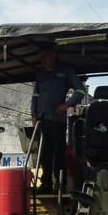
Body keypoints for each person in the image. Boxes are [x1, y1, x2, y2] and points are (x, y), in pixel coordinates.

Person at [30, 44, 86, 193]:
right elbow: (35, 96)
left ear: (54, 54)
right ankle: (46, 184)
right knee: (44, 154)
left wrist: (66, 105)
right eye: (41, 57)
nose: (43, 60)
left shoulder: (66, 71)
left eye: (46, 56)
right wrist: (33, 116)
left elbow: (80, 90)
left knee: (59, 153)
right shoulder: (40, 74)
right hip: (42, 121)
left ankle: (61, 185)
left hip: (58, 121)